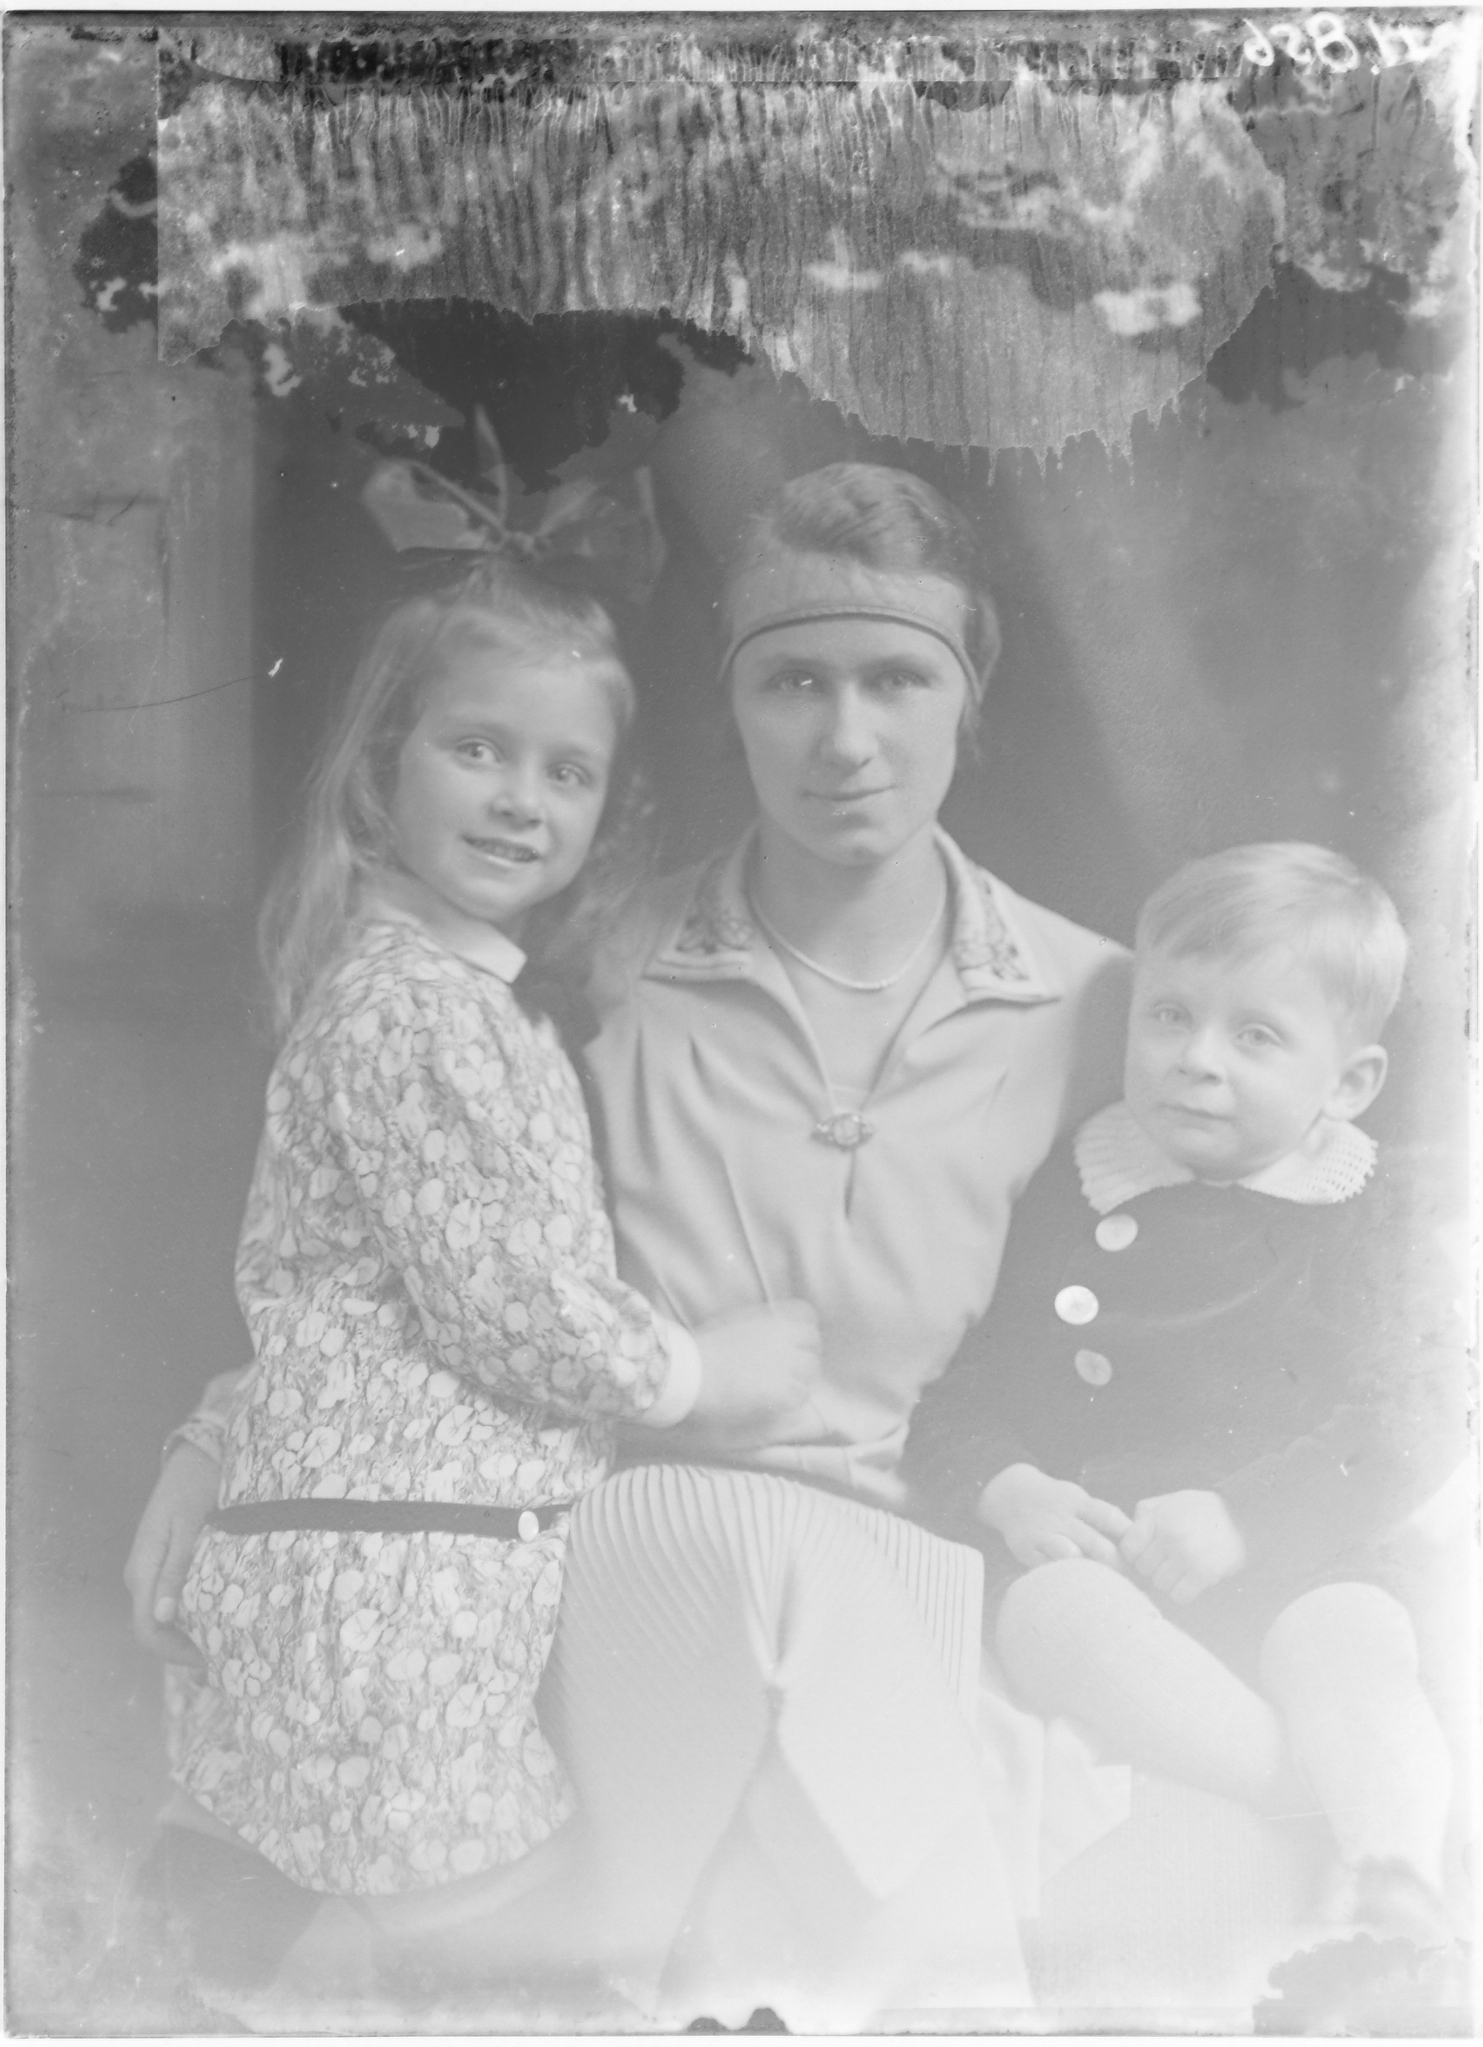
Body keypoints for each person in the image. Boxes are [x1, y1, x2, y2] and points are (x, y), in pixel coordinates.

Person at [127, 462, 1132, 2026]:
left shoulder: (1103, 1004)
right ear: (728, 703)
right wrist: (220, 1429)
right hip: (620, 1566)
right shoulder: (592, 961)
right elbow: (427, 1237)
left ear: (969, 697)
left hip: (917, 1574)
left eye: (894, 678)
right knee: (740, 1546)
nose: (844, 737)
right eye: (791, 680)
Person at [142, 558, 821, 1968]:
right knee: (502, 1931)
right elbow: (509, 1302)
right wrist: (700, 1370)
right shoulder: (417, 1010)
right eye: (476, 749)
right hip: (396, 1575)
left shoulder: (452, 995)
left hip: (383, 1550)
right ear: (380, 768)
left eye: (565, 771)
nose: (521, 798)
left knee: (329, 1890)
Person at [903, 842, 1468, 1954]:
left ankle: (1396, 1891)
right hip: (1119, 1565)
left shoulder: (1367, 1209)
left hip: (1302, 1549)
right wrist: (1008, 1485)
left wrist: (1245, 1516)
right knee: (1047, 1614)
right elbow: (970, 1380)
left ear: (1347, 1084)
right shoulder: (1077, 1179)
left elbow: (1423, 1409)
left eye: (1255, 1035)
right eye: (1167, 1015)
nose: (1195, 1059)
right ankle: (1305, 1805)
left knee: (1353, 1640)